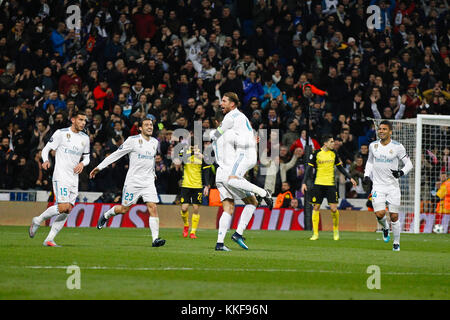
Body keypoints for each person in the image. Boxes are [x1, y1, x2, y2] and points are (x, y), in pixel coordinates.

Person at [89, 117, 166, 248]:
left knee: (153, 207)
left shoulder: (154, 142)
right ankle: (107, 215)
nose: (150, 127)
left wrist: (153, 173)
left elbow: (151, 159)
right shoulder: (132, 141)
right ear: (140, 128)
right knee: (124, 209)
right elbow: (116, 154)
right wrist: (100, 167)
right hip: (133, 182)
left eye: (151, 125)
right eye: (146, 125)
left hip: (148, 182)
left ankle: (155, 239)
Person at [28, 111, 90, 247]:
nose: (83, 123)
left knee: (68, 210)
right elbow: (46, 149)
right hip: (61, 175)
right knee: (62, 207)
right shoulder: (61, 133)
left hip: (74, 178)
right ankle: (37, 220)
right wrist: (45, 160)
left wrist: (82, 163)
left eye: (85, 121)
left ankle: (49, 239)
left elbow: (87, 157)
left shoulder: (85, 138)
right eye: (80, 120)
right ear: (73, 120)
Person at [209, 92, 273, 209]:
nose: (221, 103)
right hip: (249, 152)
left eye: (224, 101)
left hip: (244, 154)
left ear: (232, 104)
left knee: (232, 181)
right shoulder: (242, 116)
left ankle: (263, 193)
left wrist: (211, 135)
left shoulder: (230, 117)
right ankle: (256, 195)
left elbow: (217, 134)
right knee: (235, 180)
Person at [211, 111, 260, 251]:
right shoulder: (228, 134)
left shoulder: (215, 135)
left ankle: (220, 243)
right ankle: (238, 233)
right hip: (230, 175)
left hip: (220, 174)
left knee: (228, 208)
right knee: (253, 202)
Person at [363, 120, 413, 251]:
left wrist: (401, 172)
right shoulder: (373, 145)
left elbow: (409, 164)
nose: (381, 131)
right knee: (379, 214)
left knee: (394, 216)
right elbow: (369, 162)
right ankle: (385, 227)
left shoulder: (398, 147)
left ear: (390, 131)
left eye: (384, 129)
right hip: (378, 186)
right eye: (380, 129)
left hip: (393, 187)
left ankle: (396, 243)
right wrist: (366, 175)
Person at [301, 134, 357, 241]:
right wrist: (304, 183)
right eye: (331, 142)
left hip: (330, 185)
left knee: (333, 209)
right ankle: (315, 234)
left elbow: (340, 168)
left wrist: (350, 178)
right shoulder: (316, 153)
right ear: (325, 143)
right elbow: (308, 169)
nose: (333, 143)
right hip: (318, 184)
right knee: (316, 207)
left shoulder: (334, 153)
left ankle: (335, 231)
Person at [178, 142, 211, 239]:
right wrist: (190, 153)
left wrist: (206, 186)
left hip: (197, 185)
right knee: (184, 208)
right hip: (186, 185)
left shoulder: (201, 155)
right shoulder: (184, 152)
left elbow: (207, 170)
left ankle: (193, 232)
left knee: (196, 208)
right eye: (192, 147)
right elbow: (179, 159)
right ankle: (186, 225)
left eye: (195, 147)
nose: (193, 148)